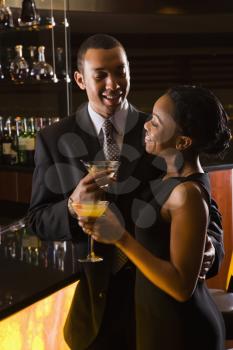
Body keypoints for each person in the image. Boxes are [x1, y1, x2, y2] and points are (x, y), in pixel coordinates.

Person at [28, 34, 224, 350]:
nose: (113, 83)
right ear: (80, 79)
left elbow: (202, 203)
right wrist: (71, 204)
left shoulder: (161, 131)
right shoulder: (53, 138)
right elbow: (37, 220)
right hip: (97, 313)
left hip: (161, 305)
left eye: (120, 71)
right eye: (101, 75)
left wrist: (210, 246)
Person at [79, 85, 231, 350]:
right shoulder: (168, 175)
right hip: (157, 321)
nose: (146, 126)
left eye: (157, 122)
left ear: (183, 142)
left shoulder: (187, 193)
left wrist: (120, 238)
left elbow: (182, 287)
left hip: (183, 331)